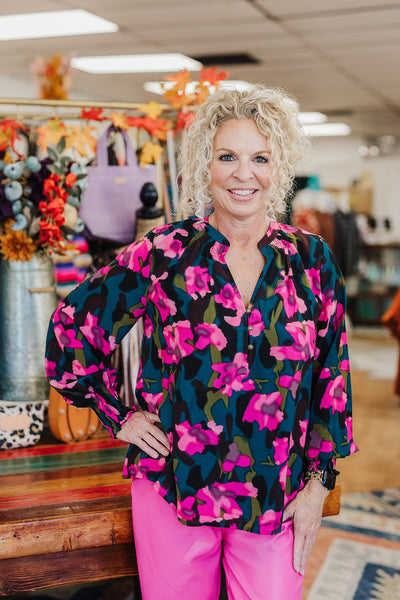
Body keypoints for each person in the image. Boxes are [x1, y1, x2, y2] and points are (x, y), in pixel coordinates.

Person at [45, 85, 357, 600]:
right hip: (173, 483)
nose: (243, 173)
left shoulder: (311, 260)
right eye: (227, 156)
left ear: (278, 168)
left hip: (277, 489)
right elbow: (71, 330)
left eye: (260, 158)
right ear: (204, 163)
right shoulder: (164, 252)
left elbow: (332, 378)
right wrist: (119, 416)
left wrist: (320, 481)